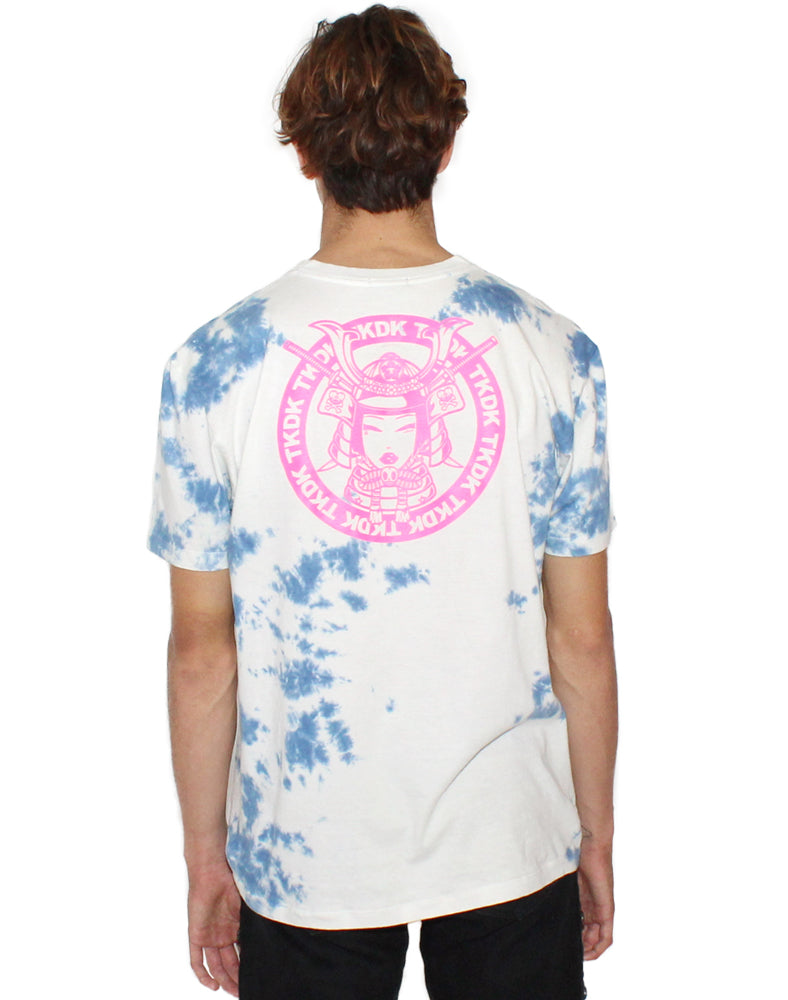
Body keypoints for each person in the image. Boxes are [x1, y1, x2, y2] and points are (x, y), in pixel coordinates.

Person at [147, 6, 618, 998]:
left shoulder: (213, 365)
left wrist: (204, 854)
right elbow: (579, 634)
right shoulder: (555, 353)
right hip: (509, 843)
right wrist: (593, 830)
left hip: (304, 851)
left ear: (303, 151)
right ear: (445, 143)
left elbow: (201, 650)